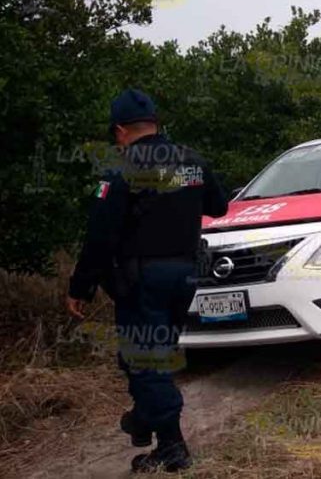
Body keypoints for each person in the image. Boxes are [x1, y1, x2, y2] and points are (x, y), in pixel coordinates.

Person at [65, 89, 228, 473]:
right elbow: (218, 206)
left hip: (143, 280)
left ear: (120, 131)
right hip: (187, 276)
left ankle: (171, 445)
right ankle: (144, 420)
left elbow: (100, 236)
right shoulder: (193, 160)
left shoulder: (122, 170)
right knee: (148, 355)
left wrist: (80, 287)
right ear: (156, 123)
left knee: (147, 360)